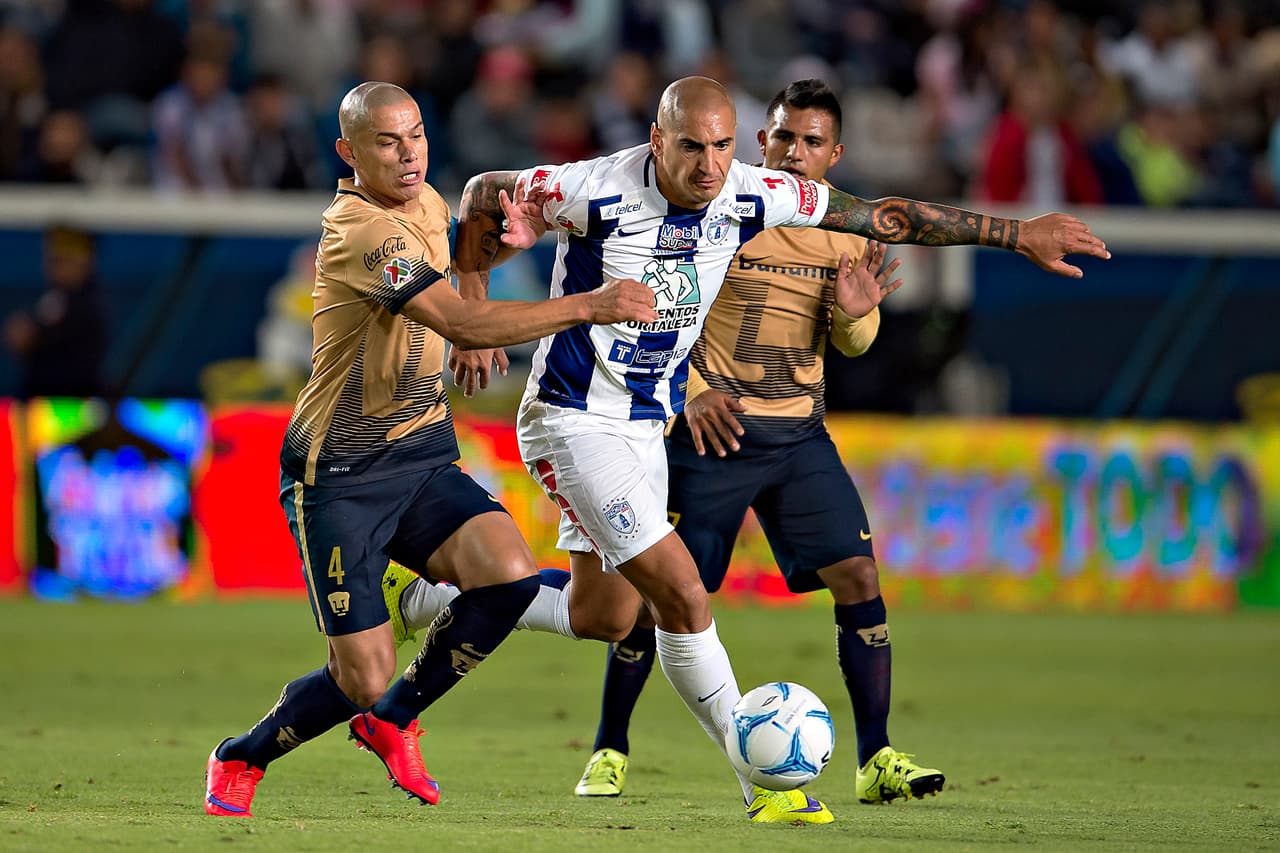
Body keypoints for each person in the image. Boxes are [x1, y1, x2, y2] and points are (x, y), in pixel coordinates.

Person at [395, 75, 1108, 825]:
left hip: (645, 427)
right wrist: (471, 296)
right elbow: (482, 190)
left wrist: (1016, 234)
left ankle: (424, 598)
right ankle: (764, 784)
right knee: (683, 596)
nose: (709, 165)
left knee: (603, 614)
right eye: (691, 147)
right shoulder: (592, 189)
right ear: (657, 139)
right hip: (573, 419)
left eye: (722, 146)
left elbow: (887, 216)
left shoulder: (753, 194)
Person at [202, 81, 656, 819]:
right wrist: (586, 305)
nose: (408, 152)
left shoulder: (426, 203)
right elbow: (456, 319)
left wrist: (470, 304)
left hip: (419, 454)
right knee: (359, 674)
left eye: (415, 134)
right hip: (339, 475)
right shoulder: (362, 232)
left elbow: (466, 253)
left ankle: (395, 717)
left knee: (508, 577)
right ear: (349, 153)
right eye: (387, 142)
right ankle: (241, 756)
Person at [566, 78, 946, 807]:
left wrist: (854, 314)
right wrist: (691, 390)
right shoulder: (721, 211)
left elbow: (855, 342)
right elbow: (660, 310)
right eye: (783, 137)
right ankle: (610, 745)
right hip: (712, 434)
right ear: (762, 141)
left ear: (834, 154)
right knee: (659, 595)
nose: (795, 152)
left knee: (859, 578)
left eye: (812, 141)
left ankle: (876, 757)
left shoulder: (843, 230)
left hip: (798, 434)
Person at [3, 226, 108, 399]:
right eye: (51, 259)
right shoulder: (55, 297)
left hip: (70, 405)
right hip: (43, 404)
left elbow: (29, 335)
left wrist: (31, 334)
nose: (52, 267)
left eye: (62, 260)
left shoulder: (88, 304)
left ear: (85, 262)